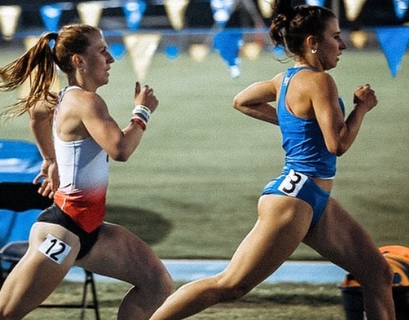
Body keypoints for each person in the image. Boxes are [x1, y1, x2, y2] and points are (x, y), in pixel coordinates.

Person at [149, 1, 396, 320]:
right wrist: (360, 108)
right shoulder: (320, 81)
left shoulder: (284, 79)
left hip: (310, 199)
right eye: (335, 37)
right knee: (229, 285)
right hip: (295, 199)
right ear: (312, 42)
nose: (343, 45)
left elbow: (242, 100)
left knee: (378, 274)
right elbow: (338, 144)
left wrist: (298, 124)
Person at [0, 24, 173, 320]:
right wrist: (142, 112)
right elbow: (121, 149)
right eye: (102, 51)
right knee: (1, 314)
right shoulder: (86, 101)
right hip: (63, 234)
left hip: (90, 231)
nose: (111, 58)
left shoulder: (64, 97)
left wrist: (50, 159)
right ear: (79, 60)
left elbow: (36, 114)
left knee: (157, 284)